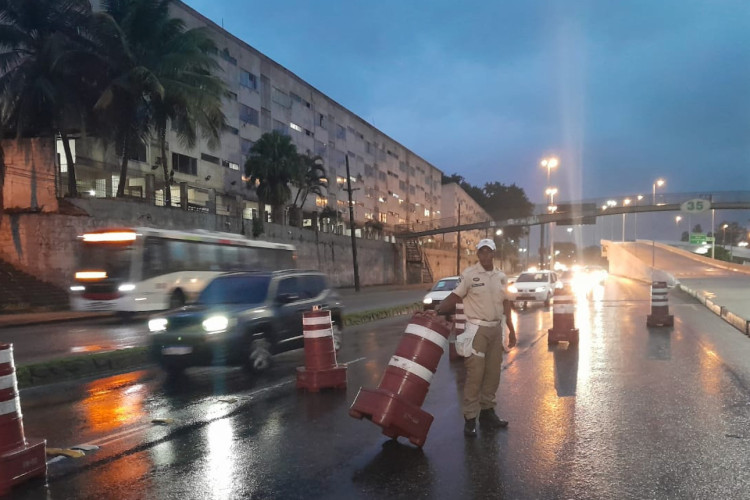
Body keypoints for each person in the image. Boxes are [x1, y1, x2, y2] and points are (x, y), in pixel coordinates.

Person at [429, 238, 516, 437]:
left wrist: (511, 329)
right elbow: (455, 296)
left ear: (494, 253)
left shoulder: (501, 276)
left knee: (493, 373)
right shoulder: (469, 275)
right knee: (475, 375)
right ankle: (470, 419)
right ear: (478, 254)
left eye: (488, 252)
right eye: (481, 252)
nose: (485, 256)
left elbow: (506, 303)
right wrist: (438, 310)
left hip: (496, 329)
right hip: (476, 329)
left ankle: (487, 413)